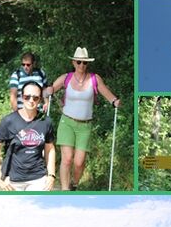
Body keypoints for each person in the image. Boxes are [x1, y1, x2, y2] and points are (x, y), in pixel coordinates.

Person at [46, 47, 121, 191]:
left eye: (84, 63)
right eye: (79, 62)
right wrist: (48, 93)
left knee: (79, 162)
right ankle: (65, 190)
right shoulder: (65, 78)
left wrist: (114, 101)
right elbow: (49, 90)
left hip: (85, 125)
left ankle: (74, 183)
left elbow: (107, 94)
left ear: (87, 64)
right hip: (66, 122)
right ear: (73, 62)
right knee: (67, 159)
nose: (81, 65)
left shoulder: (94, 79)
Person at [0, 82, 56, 191]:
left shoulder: (45, 122)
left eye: (35, 98)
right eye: (27, 97)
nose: (31, 100)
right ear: (22, 97)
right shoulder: (9, 121)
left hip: (38, 178)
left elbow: (50, 149)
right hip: (12, 180)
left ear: (40, 100)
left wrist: (51, 175)